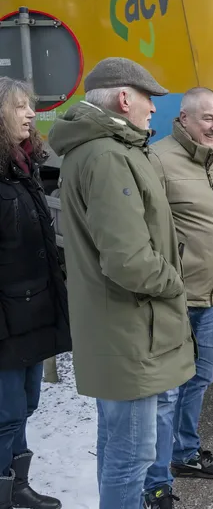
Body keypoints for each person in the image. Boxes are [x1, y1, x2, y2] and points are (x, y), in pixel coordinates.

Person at [48, 58, 194, 509]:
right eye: (149, 99)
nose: (154, 110)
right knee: (131, 457)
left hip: (120, 328)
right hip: (130, 332)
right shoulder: (109, 156)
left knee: (118, 447)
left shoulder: (104, 149)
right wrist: (175, 282)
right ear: (125, 98)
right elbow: (129, 261)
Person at [143, 87, 213, 501]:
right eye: (207, 118)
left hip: (210, 297)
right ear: (183, 118)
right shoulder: (158, 159)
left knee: (201, 377)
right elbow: (145, 232)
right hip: (175, 298)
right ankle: (157, 479)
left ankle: (184, 452)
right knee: (167, 392)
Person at [0, 77, 71, 509]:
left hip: (32, 309)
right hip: (6, 320)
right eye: (19, 106)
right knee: (5, 415)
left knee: (24, 405)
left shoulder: (21, 168)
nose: (30, 114)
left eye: (30, 106)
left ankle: (16, 485)